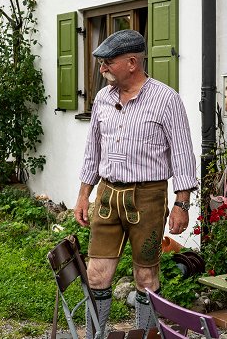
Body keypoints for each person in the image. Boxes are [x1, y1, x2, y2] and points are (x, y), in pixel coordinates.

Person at [74, 29, 198, 338]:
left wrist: (182, 204)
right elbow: (93, 150)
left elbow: (183, 154)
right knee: (97, 274)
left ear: (132, 62)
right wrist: (83, 194)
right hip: (107, 196)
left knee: (145, 275)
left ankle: (147, 336)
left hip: (148, 197)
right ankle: (95, 337)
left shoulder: (166, 98)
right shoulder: (103, 98)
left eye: (107, 62)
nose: (102, 68)